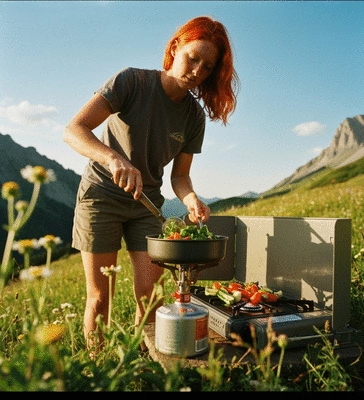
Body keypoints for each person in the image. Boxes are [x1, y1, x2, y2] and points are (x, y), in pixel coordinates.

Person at [63, 15, 239, 351]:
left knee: (153, 297)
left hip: (147, 205)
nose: (197, 72)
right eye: (193, 58)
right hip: (101, 197)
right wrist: (113, 159)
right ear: (175, 48)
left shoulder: (193, 117)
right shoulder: (131, 82)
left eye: (207, 67)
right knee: (100, 297)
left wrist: (191, 201)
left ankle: (148, 364)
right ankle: (98, 370)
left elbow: (180, 176)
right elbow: (74, 130)